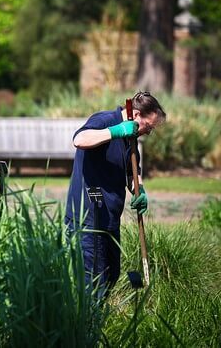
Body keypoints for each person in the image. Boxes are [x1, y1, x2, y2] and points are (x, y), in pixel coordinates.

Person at [65, 91, 166, 300]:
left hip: (110, 218)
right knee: (93, 282)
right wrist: (115, 131)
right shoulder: (105, 120)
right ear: (136, 115)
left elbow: (132, 171)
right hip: (87, 216)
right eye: (148, 126)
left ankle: (99, 320)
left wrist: (140, 190)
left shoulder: (131, 137)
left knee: (112, 275)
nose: (148, 132)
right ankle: (88, 327)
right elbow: (79, 139)